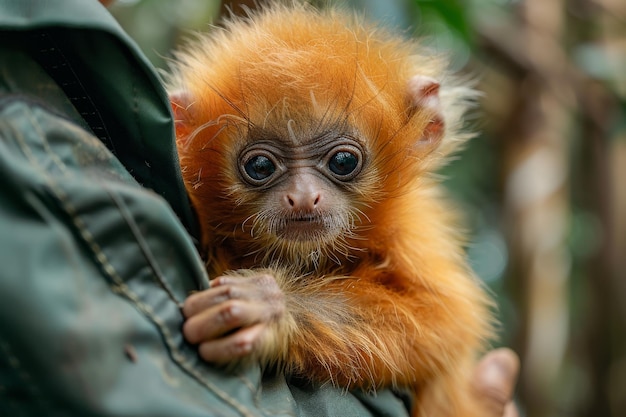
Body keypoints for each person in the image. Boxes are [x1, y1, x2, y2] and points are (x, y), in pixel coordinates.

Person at [0, 0, 519, 415]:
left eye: (341, 161)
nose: (303, 194)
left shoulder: (409, 223)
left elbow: (441, 329)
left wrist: (294, 311)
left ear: (422, 129)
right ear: (185, 136)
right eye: (261, 167)